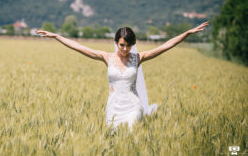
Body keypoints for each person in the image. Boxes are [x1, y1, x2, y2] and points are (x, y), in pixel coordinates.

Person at [36, 21, 209, 131]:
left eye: (128, 45)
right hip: (113, 107)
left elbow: (165, 46)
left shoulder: (138, 58)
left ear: (133, 45)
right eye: (122, 45)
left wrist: (187, 33)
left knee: (132, 137)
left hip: (133, 107)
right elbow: (78, 47)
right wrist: (56, 36)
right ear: (116, 43)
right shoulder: (107, 57)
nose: (125, 49)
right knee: (114, 141)